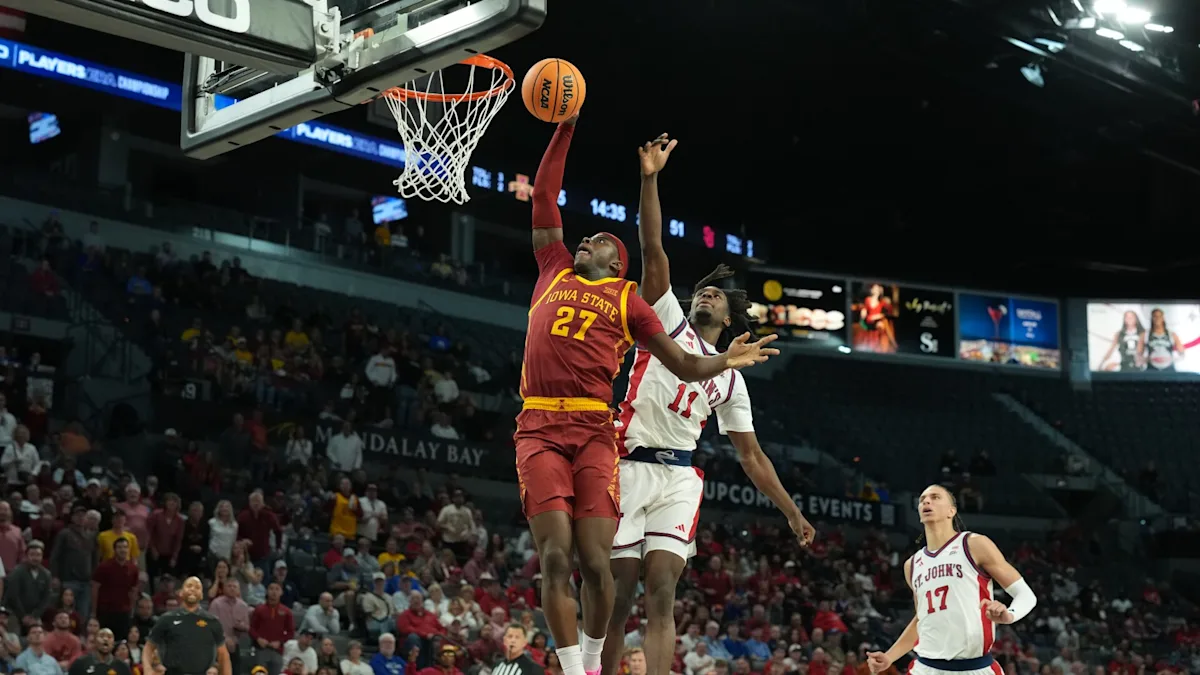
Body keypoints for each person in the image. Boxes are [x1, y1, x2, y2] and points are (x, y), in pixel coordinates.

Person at [519, 116, 778, 675]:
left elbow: (686, 366)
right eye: (584, 238)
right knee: (560, 557)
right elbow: (544, 197)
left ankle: (597, 662)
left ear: (616, 265)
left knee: (604, 568)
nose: (583, 240)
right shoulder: (553, 268)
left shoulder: (630, 300)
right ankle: (581, 670)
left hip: (601, 433)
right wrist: (565, 127)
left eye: (597, 242)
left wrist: (726, 361)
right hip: (553, 428)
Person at [602, 135, 815, 675]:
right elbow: (653, 248)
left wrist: (791, 512)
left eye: (716, 295)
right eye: (702, 291)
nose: (706, 295)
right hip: (627, 464)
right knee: (618, 593)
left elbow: (752, 457)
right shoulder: (665, 317)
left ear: (729, 319)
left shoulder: (732, 379)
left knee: (662, 591)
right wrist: (650, 178)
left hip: (678, 478)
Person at [867, 485, 1037, 675]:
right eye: (922, 499)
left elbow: (1026, 595)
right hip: (926, 668)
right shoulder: (912, 565)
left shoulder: (974, 544)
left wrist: (1009, 615)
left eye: (935, 497)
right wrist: (890, 657)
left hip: (974, 668)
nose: (926, 501)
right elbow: (922, 620)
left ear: (951, 511)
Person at [143, 576, 232, 675]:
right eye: (189, 586)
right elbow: (148, 647)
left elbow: (223, 655)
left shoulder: (212, 621)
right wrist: (148, 670)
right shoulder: (166, 619)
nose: (193, 589)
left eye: (197, 587)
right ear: (181, 592)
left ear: (201, 595)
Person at [68, 628, 132, 675]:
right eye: (101, 636)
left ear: (113, 644)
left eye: (109, 637)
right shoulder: (80, 664)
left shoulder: (122, 667)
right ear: (95, 642)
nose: (105, 639)